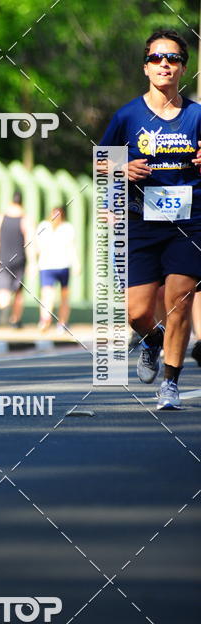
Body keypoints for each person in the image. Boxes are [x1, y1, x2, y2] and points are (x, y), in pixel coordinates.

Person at [99, 29, 201, 409]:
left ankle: (171, 383)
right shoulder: (127, 116)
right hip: (140, 222)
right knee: (138, 311)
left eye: (172, 58)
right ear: (146, 67)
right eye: (157, 58)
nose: (164, 64)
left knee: (180, 300)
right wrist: (122, 167)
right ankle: (151, 339)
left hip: (189, 221)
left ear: (183, 68)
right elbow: (100, 162)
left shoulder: (197, 115)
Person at [0, 191, 33, 328]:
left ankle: (4, 308)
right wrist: (32, 262)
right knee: (18, 292)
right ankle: (15, 319)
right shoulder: (26, 219)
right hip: (20, 258)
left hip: (3, 258)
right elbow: (30, 241)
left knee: (3, 289)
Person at [34, 206, 79, 333]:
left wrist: (76, 264)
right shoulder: (44, 226)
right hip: (47, 266)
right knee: (48, 294)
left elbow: (72, 247)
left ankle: (62, 322)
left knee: (64, 296)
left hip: (63, 266)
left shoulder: (67, 228)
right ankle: (45, 319)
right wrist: (33, 263)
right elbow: (37, 246)